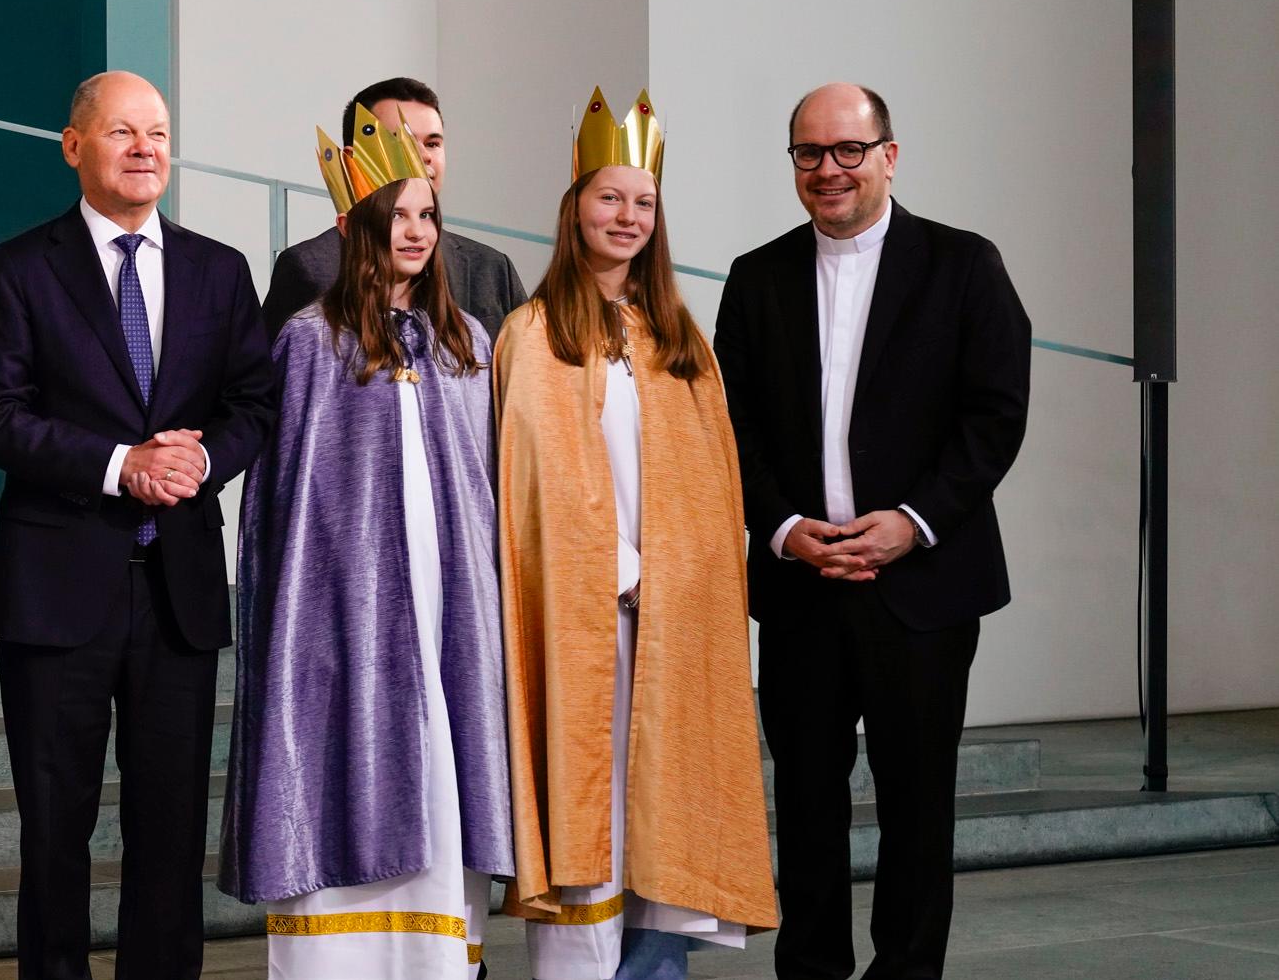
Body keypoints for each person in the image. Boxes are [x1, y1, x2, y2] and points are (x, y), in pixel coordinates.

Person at [0, 71, 279, 980]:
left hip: (176, 591)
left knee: (170, 828)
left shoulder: (221, 269)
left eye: (160, 134)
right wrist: (118, 464)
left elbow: (256, 401)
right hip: (57, 591)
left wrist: (202, 460)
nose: (145, 149)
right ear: (74, 146)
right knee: (55, 828)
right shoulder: (20, 266)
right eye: (123, 132)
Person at [713, 83, 1030, 980]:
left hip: (921, 590)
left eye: (848, 150)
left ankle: (907, 972)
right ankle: (810, 970)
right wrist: (779, 528)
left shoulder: (964, 265)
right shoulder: (757, 275)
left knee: (917, 804)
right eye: (809, 153)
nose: (829, 170)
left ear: (890, 154)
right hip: (802, 586)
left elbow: (995, 414)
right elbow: (732, 426)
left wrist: (914, 523)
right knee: (807, 801)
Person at [221, 105, 512, 979]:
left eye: (426, 213)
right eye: (397, 215)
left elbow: (484, 486)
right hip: (342, 614)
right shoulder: (311, 341)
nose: (415, 231)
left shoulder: (469, 344)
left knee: (440, 781)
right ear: (354, 227)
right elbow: (287, 504)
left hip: (448, 613)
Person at [495, 88, 776, 979]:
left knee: (662, 821)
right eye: (610, 197)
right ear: (575, 205)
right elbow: (531, 486)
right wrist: (618, 567)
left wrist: (679, 575)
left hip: (673, 626)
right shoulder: (533, 335)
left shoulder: (679, 339)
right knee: (593, 818)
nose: (627, 216)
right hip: (583, 619)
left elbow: (710, 489)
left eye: (643, 202)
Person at [261, 76, 527, 338]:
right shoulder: (309, 266)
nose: (424, 156)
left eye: (433, 143)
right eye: (403, 142)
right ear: (356, 161)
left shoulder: (492, 267)